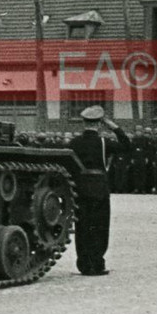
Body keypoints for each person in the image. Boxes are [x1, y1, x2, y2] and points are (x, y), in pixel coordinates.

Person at [67, 105, 130, 276]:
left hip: (79, 188)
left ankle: (84, 265)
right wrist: (114, 127)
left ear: (83, 122)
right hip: (100, 187)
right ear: (99, 124)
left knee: (82, 226)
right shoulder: (104, 142)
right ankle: (97, 263)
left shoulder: (74, 143)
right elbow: (127, 145)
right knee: (100, 226)